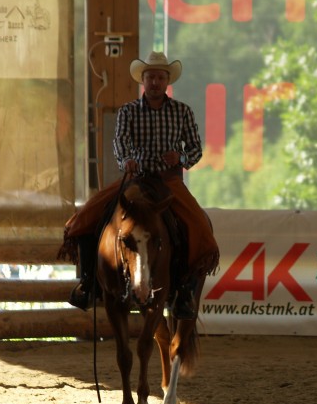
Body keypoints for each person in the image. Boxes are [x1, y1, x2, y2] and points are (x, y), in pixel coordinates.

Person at [60, 51, 219, 319]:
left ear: (167, 80)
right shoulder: (128, 111)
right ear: (143, 80)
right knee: (85, 218)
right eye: (150, 77)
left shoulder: (182, 112)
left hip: (169, 182)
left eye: (160, 77)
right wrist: (127, 160)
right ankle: (89, 281)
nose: (155, 82)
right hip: (136, 179)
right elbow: (119, 142)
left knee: (200, 227)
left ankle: (184, 290)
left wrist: (179, 157)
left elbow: (195, 149)